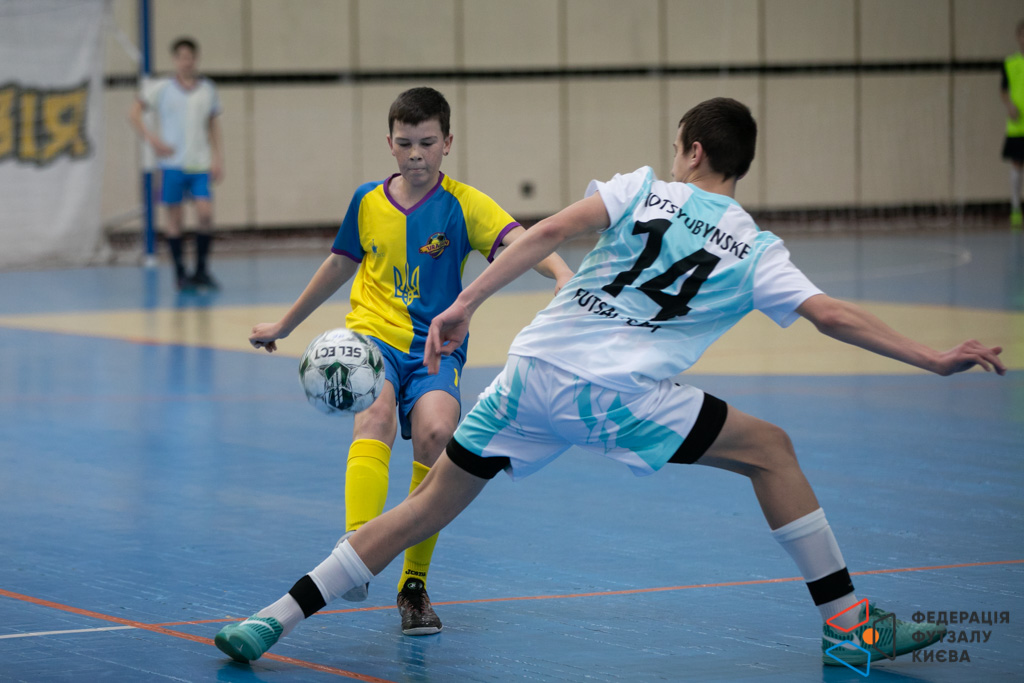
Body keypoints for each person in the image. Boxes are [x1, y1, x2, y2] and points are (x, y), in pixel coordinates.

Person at [216, 98, 1005, 668]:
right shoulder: (755, 248)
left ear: (691, 149)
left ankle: (272, 618)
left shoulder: (644, 189)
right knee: (772, 450)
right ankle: (848, 622)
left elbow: (549, 232)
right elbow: (830, 314)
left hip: (530, 374)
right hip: (619, 398)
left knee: (420, 507)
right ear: (735, 163)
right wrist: (932, 357)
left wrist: (463, 304)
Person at [246, 87, 573, 636]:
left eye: (427, 142)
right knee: (373, 413)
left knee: (438, 435)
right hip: (372, 338)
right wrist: (285, 324)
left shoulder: (464, 204)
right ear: (389, 144)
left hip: (435, 346)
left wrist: (561, 274)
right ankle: (357, 547)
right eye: (405, 143)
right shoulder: (367, 201)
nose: (416, 153)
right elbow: (338, 264)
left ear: (448, 142)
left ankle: (414, 585)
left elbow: (524, 243)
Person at [129, 37, 224, 290]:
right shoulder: (161, 88)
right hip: (172, 164)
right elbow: (134, 112)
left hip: (199, 164)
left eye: (190, 57)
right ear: (175, 60)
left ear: (196, 59)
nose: (186, 62)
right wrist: (153, 140)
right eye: (181, 57)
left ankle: (201, 270)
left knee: (205, 214)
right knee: (175, 220)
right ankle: (180, 273)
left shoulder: (207, 89)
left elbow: (213, 124)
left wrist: (218, 157)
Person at [1001, 20, 1024, 230]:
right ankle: (1016, 208)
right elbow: (1003, 90)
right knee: (1017, 165)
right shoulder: (1010, 63)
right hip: (1017, 126)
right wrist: (1009, 106)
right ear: (1018, 37)